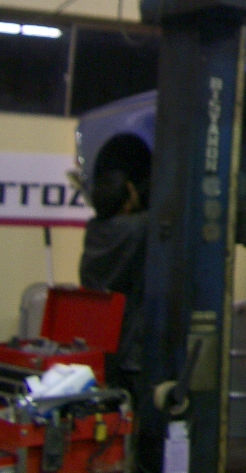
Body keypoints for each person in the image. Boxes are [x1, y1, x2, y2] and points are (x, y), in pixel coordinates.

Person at [79, 170, 148, 398]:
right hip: (131, 345)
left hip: (102, 339)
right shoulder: (138, 228)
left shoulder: (94, 229)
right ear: (126, 203)